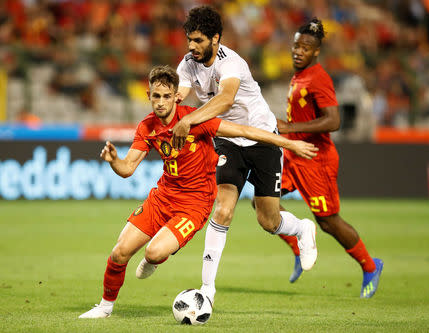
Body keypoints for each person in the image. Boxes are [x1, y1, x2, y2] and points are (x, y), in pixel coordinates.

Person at [78, 65, 318, 318]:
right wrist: (114, 160)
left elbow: (245, 131)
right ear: (148, 95)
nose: (160, 103)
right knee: (119, 252)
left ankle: (154, 260)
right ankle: (104, 308)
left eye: (166, 96)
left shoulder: (197, 120)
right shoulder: (147, 127)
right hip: (162, 197)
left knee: (153, 252)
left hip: (194, 205)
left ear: (176, 96)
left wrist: (289, 143)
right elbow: (127, 169)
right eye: (156, 96)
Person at [171, 5, 318, 303]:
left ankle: (302, 228)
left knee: (268, 220)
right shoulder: (187, 63)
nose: (191, 46)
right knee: (223, 209)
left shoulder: (231, 63)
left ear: (215, 39)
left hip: (262, 137)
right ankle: (207, 290)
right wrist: (168, 108)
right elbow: (178, 95)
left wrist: (190, 120)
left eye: (198, 40)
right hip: (228, 140)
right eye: (189, 39)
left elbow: (225, 100)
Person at [275, 18, 383, 298]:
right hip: (294, 153)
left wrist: (290, 128)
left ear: (316, 52)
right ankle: (299, 248)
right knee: (265, 202)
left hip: (315, 159)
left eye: (306, 48)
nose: (299, 51)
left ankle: (371, 266)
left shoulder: (318, 78)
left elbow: (333, 121)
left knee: (328, 222)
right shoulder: (299, 75)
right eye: (296, 45)